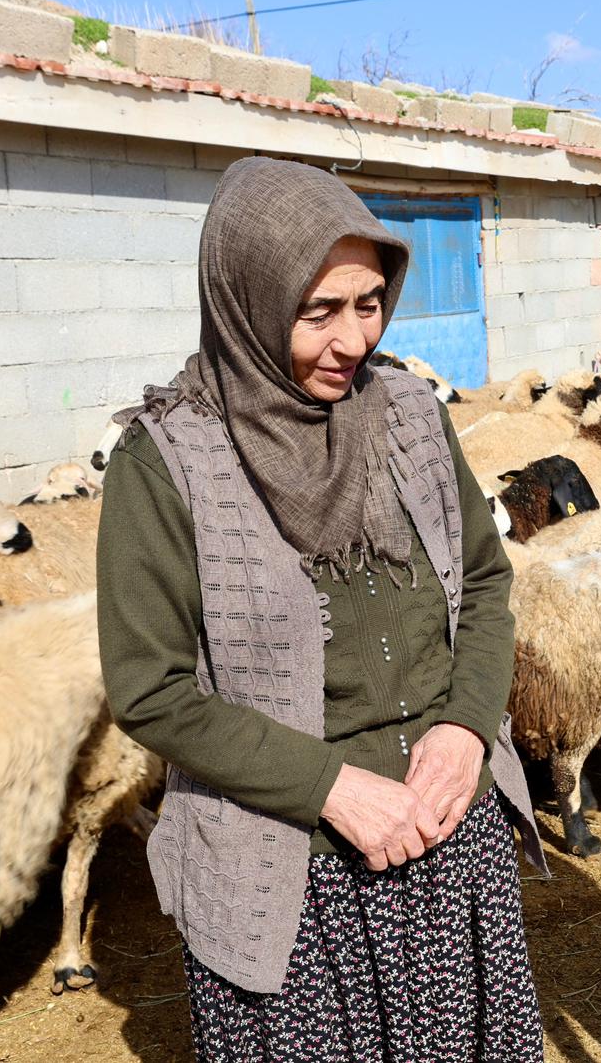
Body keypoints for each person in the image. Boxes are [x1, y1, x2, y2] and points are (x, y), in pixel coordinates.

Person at [97, 157, 545, 1062]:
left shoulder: (411, 414)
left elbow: (484, 583)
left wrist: (466, 726)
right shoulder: (168, 461)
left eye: (370, 303)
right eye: (318, 312)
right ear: (248, 301)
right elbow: (150, 691)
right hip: (292, 880)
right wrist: (333, 787)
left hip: (450, 838)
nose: (353, 340)